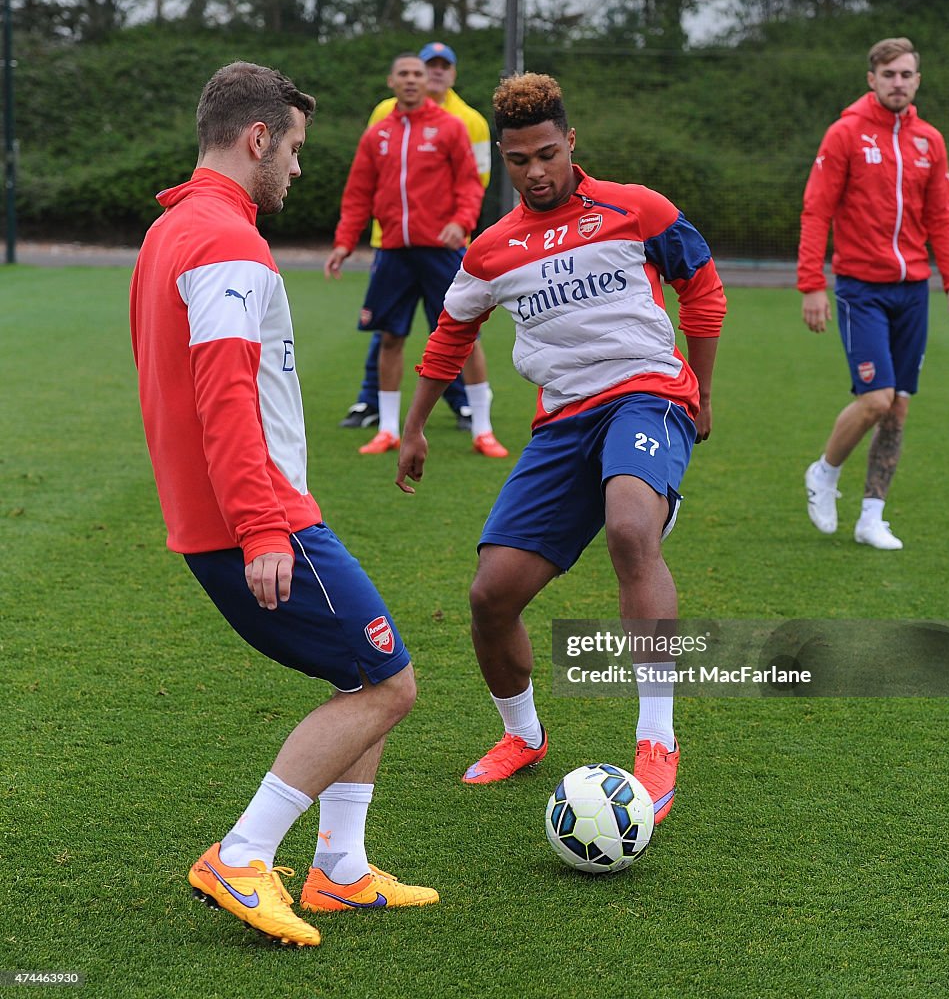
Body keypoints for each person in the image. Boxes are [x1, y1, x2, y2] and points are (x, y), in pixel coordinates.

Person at [130, 61, 438, 948]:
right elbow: (223, 391)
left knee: (362, 671)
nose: (300, 168)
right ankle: (241, 853)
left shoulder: (176, 228)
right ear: (257, 139)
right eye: (296, 149)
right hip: (254, 519)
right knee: (387, 685)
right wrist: (264, 524)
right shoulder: (225, 241)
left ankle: (339, 870)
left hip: (237, 512)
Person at [395, 74, 726, 825]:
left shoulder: (638, 209)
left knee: (631, 529)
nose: (536, 171)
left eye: (548, 153)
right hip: (563, 424)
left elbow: (702, 289)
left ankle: (657, 741)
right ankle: (523, 736)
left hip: (646, 396)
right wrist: (415, 427)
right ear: (504, 161)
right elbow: (451, 335)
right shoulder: (490, 251)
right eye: (519, 160)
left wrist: (698, 391)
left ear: (571, 142)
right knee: (490, 596)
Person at [798, 36, 949, 550]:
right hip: (859, 288)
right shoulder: (846, 133)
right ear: (872, 79)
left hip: (914, 289)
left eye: (906, 75)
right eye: (889, 74)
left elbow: (942, 216)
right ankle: (824, 473)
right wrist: (811, 284)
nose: (898, 83)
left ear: (917, 80)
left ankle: (872, 516)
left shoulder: (929, 142)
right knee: (875, 398)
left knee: (898, 408)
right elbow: (817, 210)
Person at [326, 52, 508, 459]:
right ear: (391, 81)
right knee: (390, 337)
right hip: (393, 251)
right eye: (403, 74)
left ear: (428, 82)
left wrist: (461, 222)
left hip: (441, 251)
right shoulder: (378, 134)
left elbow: (470, 185)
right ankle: (388, 429)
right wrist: (343, 241)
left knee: (466, 335)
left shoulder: (451, 128)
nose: (411, 80)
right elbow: (358, 192)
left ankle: (483, 428)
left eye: (417, 74)